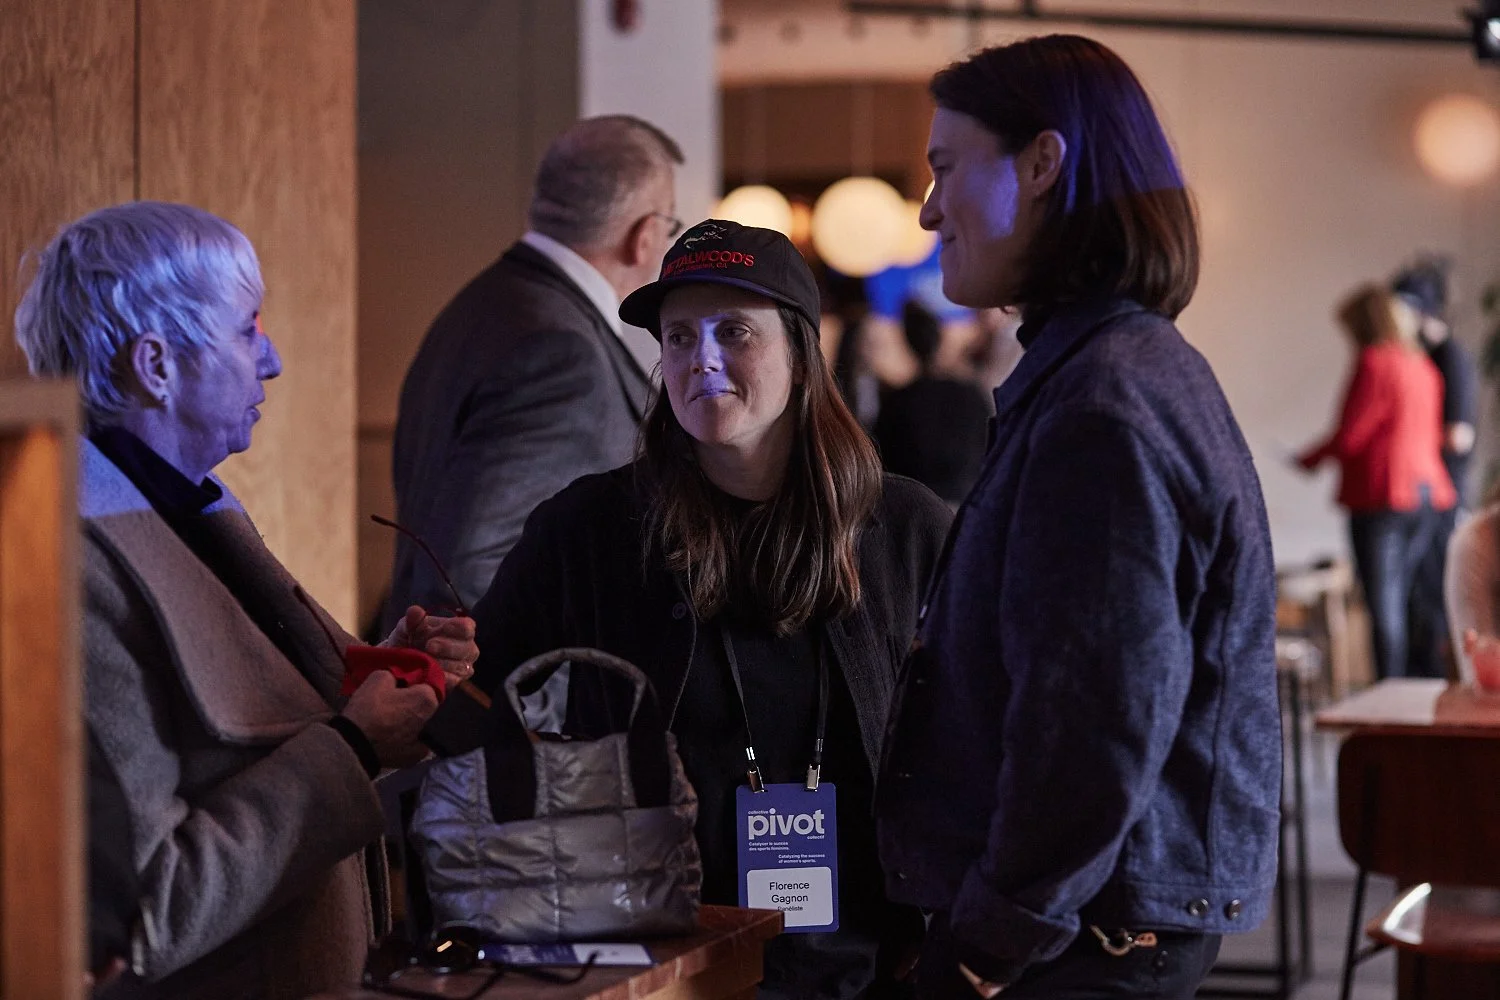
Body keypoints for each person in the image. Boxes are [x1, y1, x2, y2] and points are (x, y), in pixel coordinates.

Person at [875, 36, 1281, 999]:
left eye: (945, 168)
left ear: (1042, 163)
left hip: (1079, 943)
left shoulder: (1102, 401)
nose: (928, 210)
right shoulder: (1113, 370)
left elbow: (1093, 729)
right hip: (1093, 923)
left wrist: (981, 950)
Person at [467, 220, 953, 999]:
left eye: (734, 332)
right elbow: (479, 693)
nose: (703, 360)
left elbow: (975, 737)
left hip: (871, 970)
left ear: (800, 351)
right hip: (662, 967)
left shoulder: (905, 528)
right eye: (680, 337)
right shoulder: (590, 530)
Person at [14, 201, 477, 1000]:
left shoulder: (192, 511)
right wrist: (354, 745)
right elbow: (144, 913)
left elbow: (260, 735)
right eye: (247, 329)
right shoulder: (66, 567)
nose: (273, 360)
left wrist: (386, 675)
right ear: (156, 365)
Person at [383, 115, 684, 634]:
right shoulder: (562, 354)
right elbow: (471, 576)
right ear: (644, 236)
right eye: (671, 227)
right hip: (507, 685)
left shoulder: (477, 306)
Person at [1298, 286, 1456, 680]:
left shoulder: (1374, 362)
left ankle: (1389, 692)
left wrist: (1308, 459)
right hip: (1426, 494)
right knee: (1406, 599)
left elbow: (1352, 435)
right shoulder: (1421, 365)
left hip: (1385, 494)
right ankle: (1409, 688)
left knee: (1384, 603)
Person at [1393, 255, 1477, 677]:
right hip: (1426, 494)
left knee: (1433, 598)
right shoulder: (1425, 357)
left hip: (1444, 495)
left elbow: (1460, 435)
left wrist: (1407, 440)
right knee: (1417, 598)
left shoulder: (1451, 358)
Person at [873, 301, 992, 505]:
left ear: (907, 341)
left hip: (918, 504)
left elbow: (884, 459)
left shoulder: (899, 400)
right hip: (968, 501)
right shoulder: (970, 394)